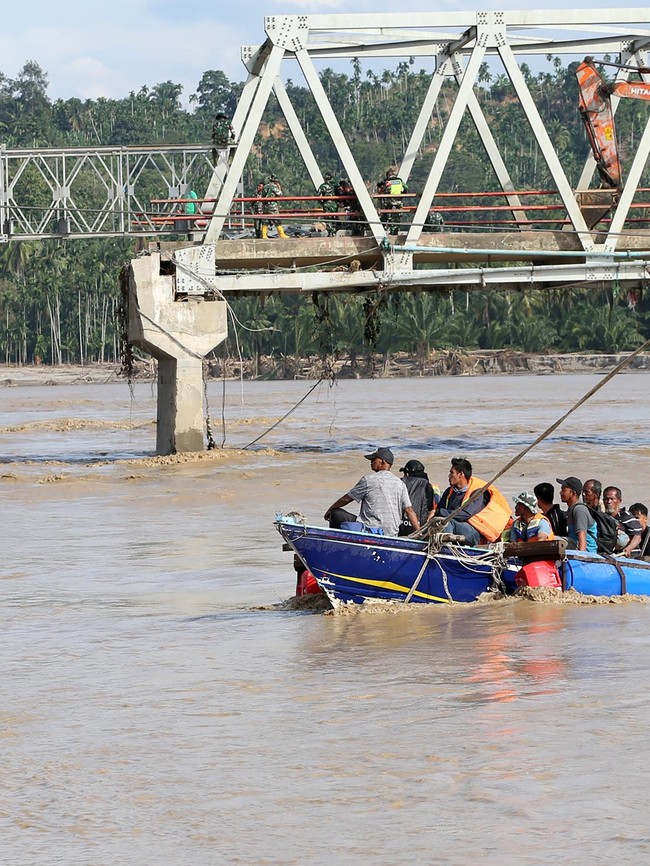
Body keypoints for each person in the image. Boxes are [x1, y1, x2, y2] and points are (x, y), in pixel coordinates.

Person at [324, 446, 419, 537]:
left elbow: (346, 499)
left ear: (383, 461)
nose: (371, 462)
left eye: (374, 460)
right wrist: (419, 533)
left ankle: (338, 543)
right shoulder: (400, 483)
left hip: (369, 530)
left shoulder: (368, 480)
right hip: (391, 533)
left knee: (335, 513)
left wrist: (330, 509)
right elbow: (409, 510)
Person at [436, 456, 512, 546]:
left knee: (448, 522)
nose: (449, 476)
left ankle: (445, 549)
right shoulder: (449, 492)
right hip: (455, 528)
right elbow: (438, 512)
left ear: (461, 474)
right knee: (440, 522)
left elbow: (465, 515)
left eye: (451, 473)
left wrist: (441, 512)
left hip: (474, 533)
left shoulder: (478, 493)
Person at [397, 459, 440, 537]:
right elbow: (431, 508)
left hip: (398, 528)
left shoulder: (399, 482)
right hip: (419, 528)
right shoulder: (428, 485)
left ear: (407, 473)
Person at [557, 476, 597, 552]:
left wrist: (582, 556)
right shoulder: (570, 509)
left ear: (573, 493)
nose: (560, 493)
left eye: (564, 490)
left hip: (585, 549)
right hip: (574, 544)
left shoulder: (579, 510)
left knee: (552, 540)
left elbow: (582, 535)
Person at [603, 485, 643, 557]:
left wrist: (629, 548)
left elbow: (637, 536)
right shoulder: (604, 517)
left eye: (612, 499)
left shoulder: (626, 516)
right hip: (614, 555)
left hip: (631, 556)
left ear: (619, 501)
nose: (609, 502)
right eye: (606, 499)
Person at [377, 167, 407, 234]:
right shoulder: (400, 181)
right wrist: (402, 194)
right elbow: (406, 188)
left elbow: (381, 188)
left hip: (389, 201)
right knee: (397, 216)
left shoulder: (387, 181)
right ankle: (395, 229)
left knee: (385, 214)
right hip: (398, 201)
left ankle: (382, 228)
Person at [261, 174, 288, 239]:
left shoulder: (265, 186)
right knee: (277, 220)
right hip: (272, 206)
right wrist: (279, 188)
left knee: (265, 220)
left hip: (265, 206)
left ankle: (264, 235)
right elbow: (280, 194)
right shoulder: (274, 186)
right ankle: (281, 234)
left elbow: (263, 195)